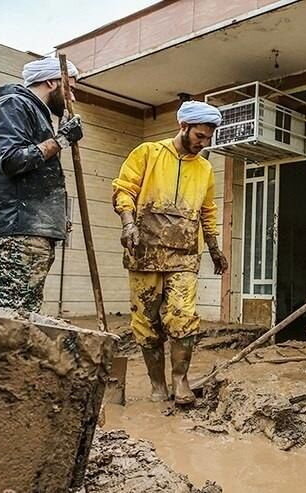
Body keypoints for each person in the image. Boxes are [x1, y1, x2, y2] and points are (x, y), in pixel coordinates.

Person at [112, 100, 228, 405]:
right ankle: (157, 385)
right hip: (144, 252)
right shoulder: (147, 153)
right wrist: (127, 224)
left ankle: (180, 380)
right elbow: (124, 189)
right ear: (183, 126)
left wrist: (214, 247)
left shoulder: (204, 168)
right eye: (199, 136)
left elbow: (208, 210)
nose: (204, 144)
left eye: (208, 138)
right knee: (146, 323)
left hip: (184, 255)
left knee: (183, 317)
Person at [0, 57, 83, 313]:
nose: (73, 97)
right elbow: (12, 160)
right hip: (19, 227)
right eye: (69, 88)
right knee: (16, 315)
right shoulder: (13, 105)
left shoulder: (36, 113)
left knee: (26, 313)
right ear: (51, 82)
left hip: (32, 228)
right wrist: (61, 140)